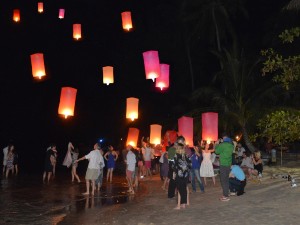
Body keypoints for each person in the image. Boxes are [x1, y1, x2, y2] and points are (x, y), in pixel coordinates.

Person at [172, 141, 191, 210]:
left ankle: (179, 205)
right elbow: (190, 164)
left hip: (179, 174)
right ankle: (184, 204)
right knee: (184, 188)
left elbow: (174, 165)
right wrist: (186, 170)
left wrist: (174, 174)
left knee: (179, 189)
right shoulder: (186, 155)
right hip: (185, 175)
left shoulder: (176, 155)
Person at [215, 135, 234, 202]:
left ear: (224, 139)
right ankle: (226, 193)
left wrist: (216, 144)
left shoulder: (223, 145)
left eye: (222, 138)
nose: (222, 140)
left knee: (223, 181)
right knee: (226, 180)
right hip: (228, 165)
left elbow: (216, 151)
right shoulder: (231, 146)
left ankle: (225, 196)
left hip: (223, 165)